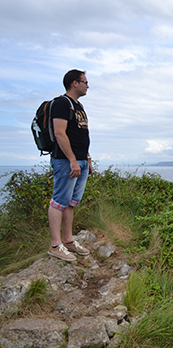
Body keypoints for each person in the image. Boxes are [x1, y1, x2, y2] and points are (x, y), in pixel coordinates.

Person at [47, 69, 93, 262]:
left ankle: (68, 240)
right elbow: (59, 133)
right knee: (59, 201)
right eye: (85, 81)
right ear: (75, 83)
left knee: (71, 202)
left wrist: (87, 159)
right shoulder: (61, 104)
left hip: (80, 161)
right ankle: (55, 245)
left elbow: (81, 135)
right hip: (66, 161)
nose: (87, 85)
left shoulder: (78, 105)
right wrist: (73, 160)